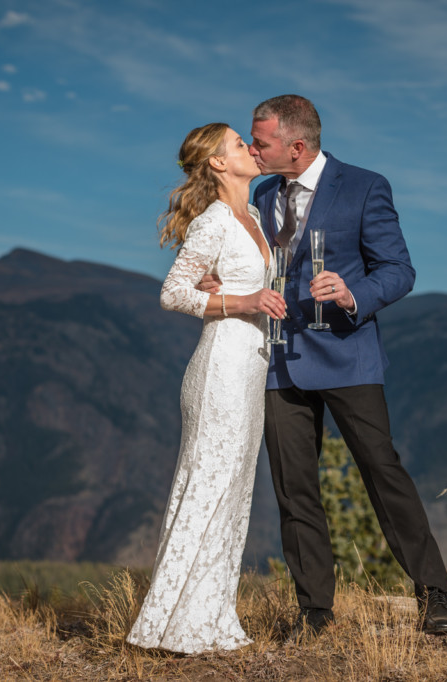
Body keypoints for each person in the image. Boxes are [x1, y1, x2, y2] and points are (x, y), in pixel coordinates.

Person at [205, 94, 447, 638]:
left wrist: (352, 294)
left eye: (263, 141)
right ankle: (314, 611)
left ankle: (434, 594)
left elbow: (399, 270)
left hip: (349, 358)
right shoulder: (262, 196)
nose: (253, 148)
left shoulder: (366, 187)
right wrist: (218, 285)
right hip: (276, 362)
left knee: (382, 471)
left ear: (296, 147)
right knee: (294, 489)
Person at [126, 122, 286, 654]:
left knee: (235, 493)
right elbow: (172, 292)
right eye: (241, 144)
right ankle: (170, 626)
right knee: (207, 488)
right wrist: (242, 301)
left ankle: (211, 620)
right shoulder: (215, 221)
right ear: (219, 163)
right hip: (219, 368)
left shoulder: (255, 216)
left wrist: (231, 290)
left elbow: (213, 281)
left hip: (250, 366)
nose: (251, 148)